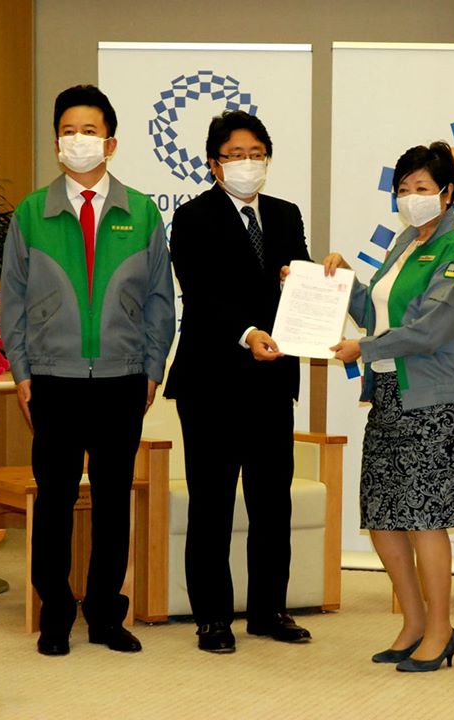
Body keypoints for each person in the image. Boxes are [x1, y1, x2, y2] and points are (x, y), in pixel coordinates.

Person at [0, 84, 175, 657]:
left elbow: (158, 300)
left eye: (90, 130)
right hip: (52, 378)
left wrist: (152, 368)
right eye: (70, 130)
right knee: (52, 499)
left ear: (112, 141)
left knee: (111, 498)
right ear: (57, 142)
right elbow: (14, 301)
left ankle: (104, 614)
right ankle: (55, 613)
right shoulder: (32, 212)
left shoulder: (142, 212)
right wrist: (22, 372)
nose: (80, 140)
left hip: (123, 379)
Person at [324, 142, 454, 672]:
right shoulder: (403, 242)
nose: (411, 198)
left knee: (426, 516)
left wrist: (365, 349)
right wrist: (338, 281)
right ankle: (413, 621)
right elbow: (378, 312)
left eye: (422, 189)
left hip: (437, 397)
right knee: (385, 515)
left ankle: (440, 630)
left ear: (448, 193)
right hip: (392, 394)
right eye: (403, 189)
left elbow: (433, 328)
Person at [163, 110, 312, 654]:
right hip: (213, 380)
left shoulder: (285, 213)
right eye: (235, 155)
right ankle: (213, 617)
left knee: (273, 500)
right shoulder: (193, 217)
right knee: (213, 501)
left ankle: (270, 609)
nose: (247, 164)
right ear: (213, 164)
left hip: (273, 379)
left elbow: (297, 280)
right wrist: (248, 331)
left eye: (256, 154)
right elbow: (202, 292)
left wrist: (319, 274)